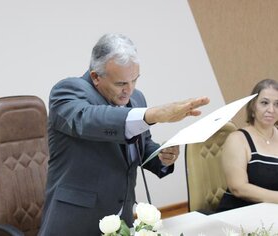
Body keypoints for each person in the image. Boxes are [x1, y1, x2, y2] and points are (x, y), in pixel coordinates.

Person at [38, 33, 209, 235]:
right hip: (76, 223)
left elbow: (141, 146)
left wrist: (162, 156)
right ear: (95, 77)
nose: (129, 90)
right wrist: (153, 114)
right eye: (120, 84)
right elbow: (89, 119)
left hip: (122, 220)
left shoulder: (137, 98)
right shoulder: (67, 91)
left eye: (134, 80)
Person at [217, 79, 278, 212]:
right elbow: (238, 188)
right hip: (239, 214)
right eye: (264, 103)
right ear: (253, 107)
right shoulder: (237, 139)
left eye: (277, 104)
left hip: (272, 213)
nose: (271, 109)